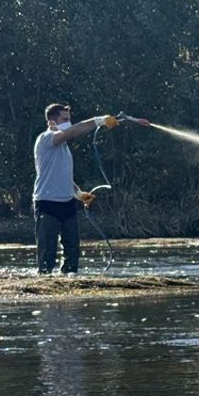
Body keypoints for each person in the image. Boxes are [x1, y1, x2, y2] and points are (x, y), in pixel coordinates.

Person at [32, 104, 118, 274]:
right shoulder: (46, 139)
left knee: (72, 251)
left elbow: (63, 175)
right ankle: (44, 284)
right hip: (47, 204)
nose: (68, 123)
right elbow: (72, 132)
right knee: (47, 253)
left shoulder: (64, 147)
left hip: (68, 204)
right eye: (65, 119)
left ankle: (69, 284)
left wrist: (79, 194)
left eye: (69, 119)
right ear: (51, 121)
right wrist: (99, 121)